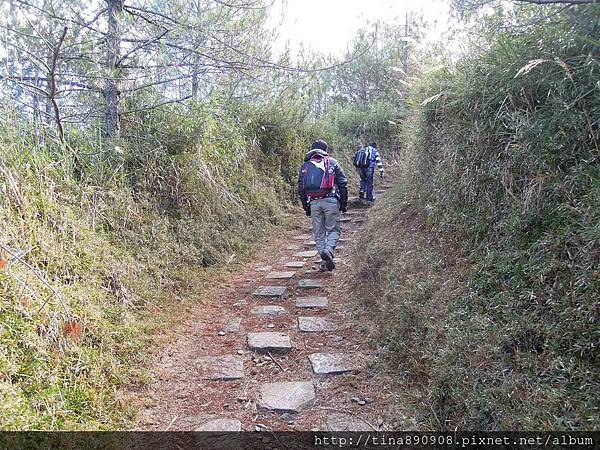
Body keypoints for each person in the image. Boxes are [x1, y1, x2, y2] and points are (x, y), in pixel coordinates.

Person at [298, 139, 348, 272]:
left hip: (313, 202)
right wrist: (343, 203)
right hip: (331, 201)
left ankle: (324, 261)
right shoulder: (332, 162)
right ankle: (329, 250)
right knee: (334, 230)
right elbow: (343, 183)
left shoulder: (305, 166)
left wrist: (306, 207)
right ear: (325, 150)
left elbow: (301, 189)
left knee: (319, 233)